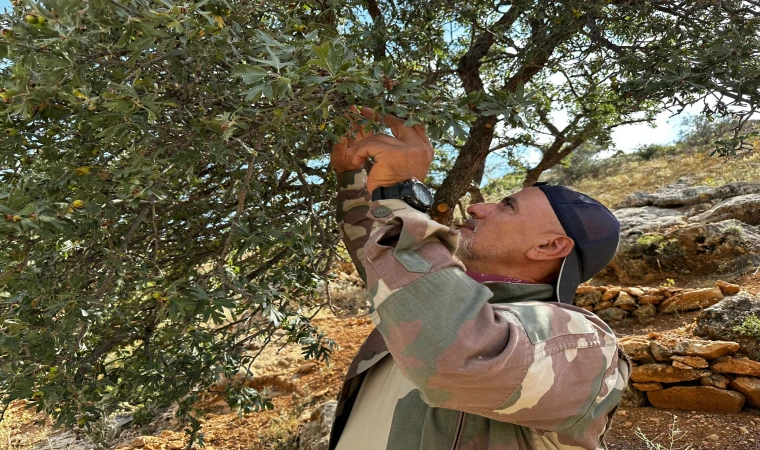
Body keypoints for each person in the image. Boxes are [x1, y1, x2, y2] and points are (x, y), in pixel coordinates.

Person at [328, 106, 630, 450]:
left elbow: (458, 356)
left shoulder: (585, 344)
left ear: (549, 246)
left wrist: (399, 195)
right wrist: (349, 175)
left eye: (507, 206)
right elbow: (382, 259)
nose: (477, 208)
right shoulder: (436, 291)